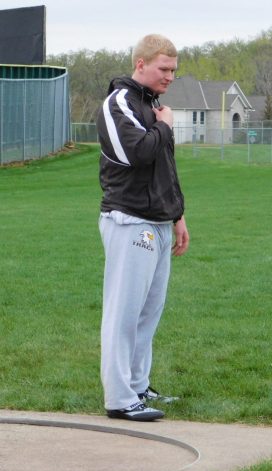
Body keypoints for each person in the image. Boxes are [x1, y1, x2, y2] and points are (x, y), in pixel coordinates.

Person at [96, 34, 189, 421]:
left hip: (157, 219)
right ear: (141, 64)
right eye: (164, 69)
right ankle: (119, 398)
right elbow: (138, 153)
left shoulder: (152, 106)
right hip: (129, 219)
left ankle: (138, 385)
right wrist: (165, 126)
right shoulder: (118, 103)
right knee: (124, 312)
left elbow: (163, 167)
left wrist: (178, 215)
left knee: (149, 311)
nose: (170, 76)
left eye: (173, 70)